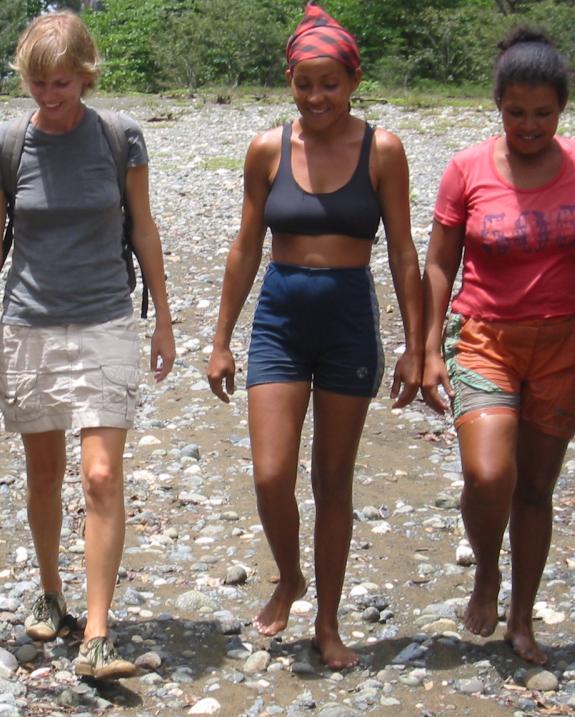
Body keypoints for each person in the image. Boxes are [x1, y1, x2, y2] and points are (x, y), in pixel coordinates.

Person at [206, 2, 423, 670]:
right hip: (280, 319)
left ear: (353, 80)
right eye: (304, 83)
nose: (316, 96)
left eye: (330, 82)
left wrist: (418, 345)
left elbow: (404, 251)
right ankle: (289, 576)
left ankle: (327, 622)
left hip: (349, 321)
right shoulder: (268, 147)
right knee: (271, 475)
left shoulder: (382, 149)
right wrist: (220, 339)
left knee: (334, 481)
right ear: (290, 81)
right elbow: (246, 246)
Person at [0, 11, 175, 681]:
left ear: (85, 75)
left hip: (106, 318)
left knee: (103, 475)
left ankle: (101, 634)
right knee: (45, 473)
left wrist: (164, 317)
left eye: (61, 83)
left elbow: (143, 227)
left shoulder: (120, 137)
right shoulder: (6, 146)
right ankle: (51, 592)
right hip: (28, 325)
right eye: (36, 82)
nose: (49, 95)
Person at [421, 29, 575, 666]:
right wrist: (426, 347)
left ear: (562, 109)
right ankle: (486, 573)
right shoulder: (467, 169)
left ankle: (523, 618)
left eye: (543, 113)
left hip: (563, 344)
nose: (529, 125)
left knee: (535, 487)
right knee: (487, 474)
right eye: (515, 112)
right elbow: (440, 263)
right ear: (497, 105)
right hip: (483, 337)